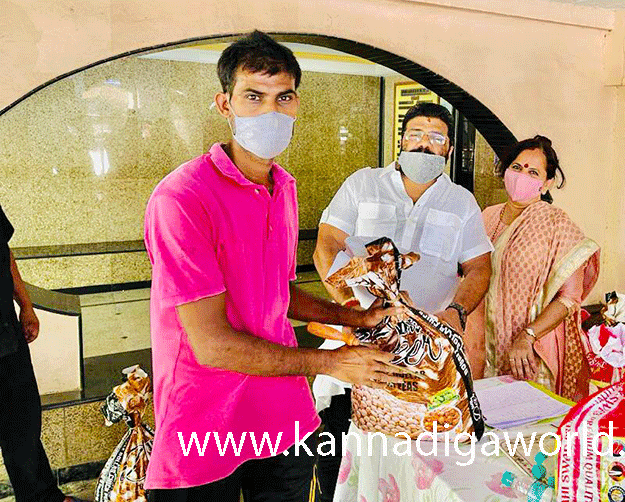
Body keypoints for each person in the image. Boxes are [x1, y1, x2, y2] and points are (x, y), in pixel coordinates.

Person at [143, 31, 406, 502]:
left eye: (283, 97)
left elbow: (274, 292)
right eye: (253, 96)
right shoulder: (182, 198)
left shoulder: (282, 186)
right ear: (225, 104)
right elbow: (212, 345)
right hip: (206, 419)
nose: (270, 111)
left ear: (297, 104)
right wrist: (331, 363)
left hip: (281, 411)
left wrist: (353, 317)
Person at [312, 102, 493, 502]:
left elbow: (479, 267)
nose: (424, 144)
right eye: (415, 134)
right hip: (358, 341)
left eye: (436, 137)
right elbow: (326, 246)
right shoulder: (363, 184)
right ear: (401, 141)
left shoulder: (461, 202)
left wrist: (456, 313)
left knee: (416, 457)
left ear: (449, 149)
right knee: (339, 442)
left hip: (426, 357)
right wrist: (350, 309)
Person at [465, 136, 600, 401]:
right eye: (517, 168)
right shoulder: (487, 215)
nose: (522, 176)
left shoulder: (556, 224)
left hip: (532, 349)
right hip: (481, 344)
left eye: (533, 172)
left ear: (547, 183)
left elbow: (569, 299)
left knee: (526, 416)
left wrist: (528, 336)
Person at [0, 205, 87, 502]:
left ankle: (42, 497)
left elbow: (4, 253)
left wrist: (26, 305)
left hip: (6, 335)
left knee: (23, 424)